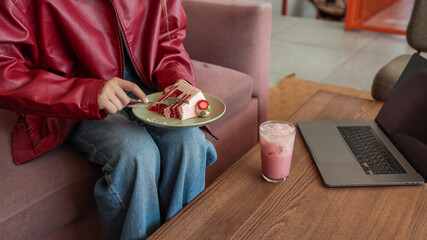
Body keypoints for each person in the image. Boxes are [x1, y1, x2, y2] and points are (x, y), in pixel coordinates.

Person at [0, 0, 217, 239]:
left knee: (189, 142)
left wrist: (178, 78)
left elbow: (168, 36)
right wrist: (88, 93)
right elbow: (5, 70)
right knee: (136, 153)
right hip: (73, 94)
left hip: (148, 85)